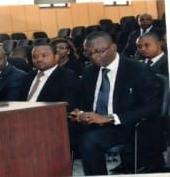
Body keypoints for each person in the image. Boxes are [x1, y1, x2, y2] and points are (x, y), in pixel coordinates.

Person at [69, 31, 162, 175]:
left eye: (98, 52)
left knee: (89, 140)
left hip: (126, 125)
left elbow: (151, 107)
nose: (94, 57)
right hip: (93, 122)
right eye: (89, 53)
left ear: (113, 48)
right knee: (60, 133)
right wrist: (79, 113)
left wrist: (110, 118)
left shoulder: (138, 70)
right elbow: (81, 101)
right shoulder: (89, 72)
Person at [19, 43, 81, 112]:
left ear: (56, 57)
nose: (39, 59)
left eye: (44, 56)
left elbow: (67, 106)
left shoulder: (67, 76)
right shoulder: (28, 77)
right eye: (35, 57)